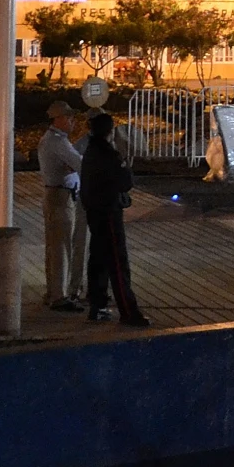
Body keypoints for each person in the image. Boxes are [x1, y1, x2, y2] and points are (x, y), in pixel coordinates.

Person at [79, 111, 148, 327]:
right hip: (108, 212)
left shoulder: (91, 151)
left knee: (98, 258)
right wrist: (124, 162)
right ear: (110, 132)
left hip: (94, 211)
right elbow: (125, 182)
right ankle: (128, 311)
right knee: (117, 262)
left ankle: (97, 305)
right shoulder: (109, 155)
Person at [37, 101, 89, 312]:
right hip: (60, 196)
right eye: (68, 118)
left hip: (57, 194)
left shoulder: (55, 140)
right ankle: (59, 296)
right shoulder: (57, 142)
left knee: (55, 246)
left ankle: (53, 292)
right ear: (57, 119)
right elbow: (79, 164)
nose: (72, 122)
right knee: (61, 247)